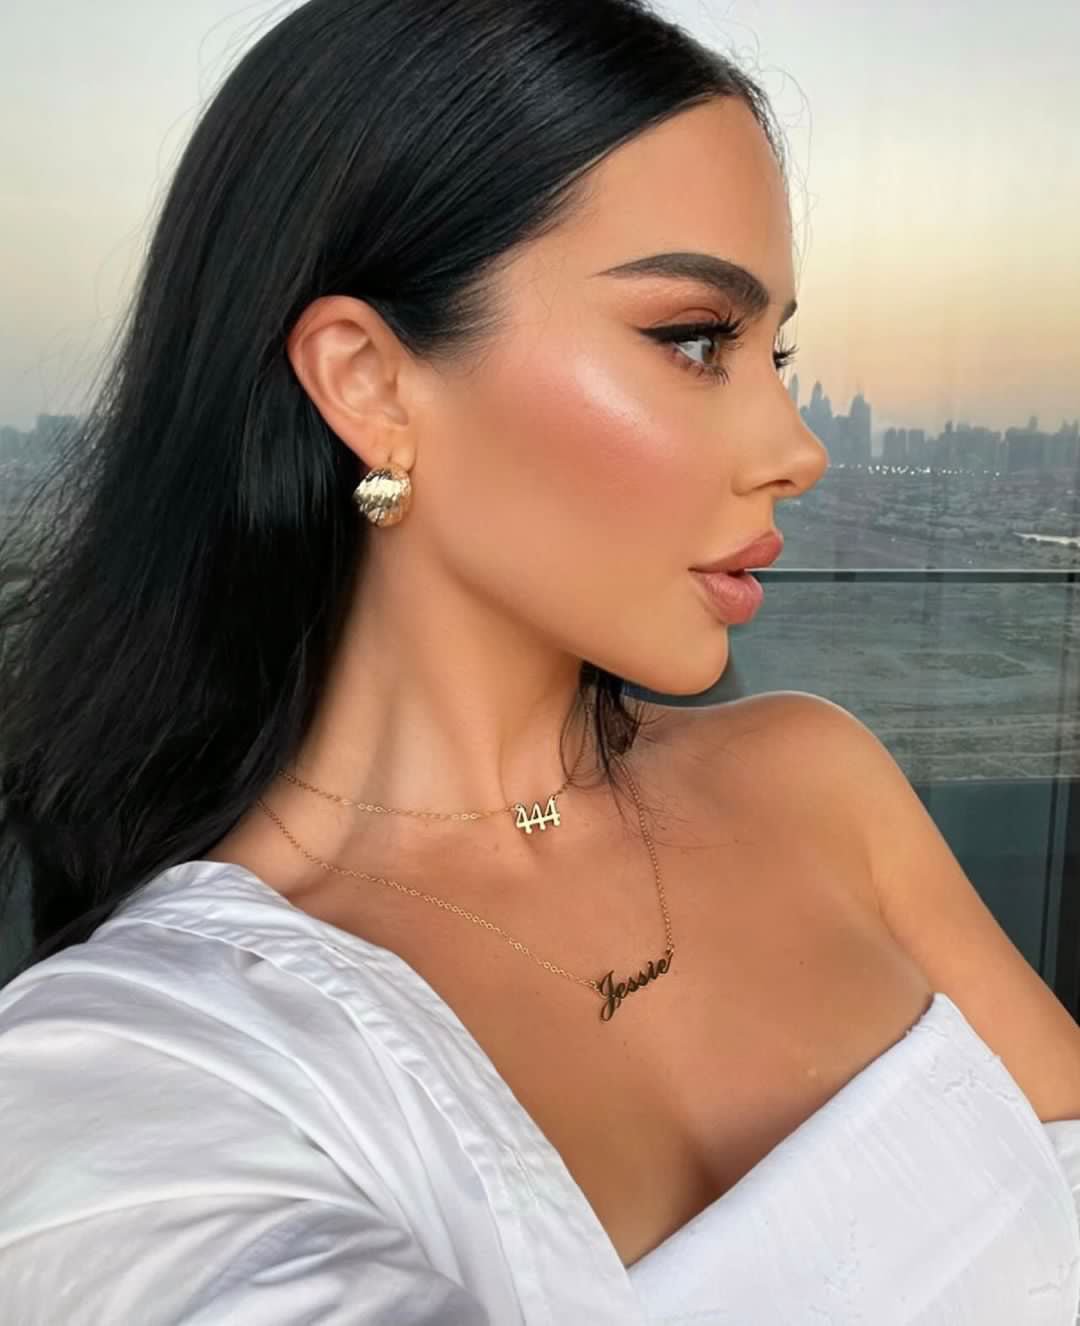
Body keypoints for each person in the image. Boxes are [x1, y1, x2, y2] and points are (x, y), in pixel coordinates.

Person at [1, 1, 1080, 1321]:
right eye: (696, 340)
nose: (798, 448)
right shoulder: (146, 1060)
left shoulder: (821, 784)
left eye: (777, 351)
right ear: (368, 381)